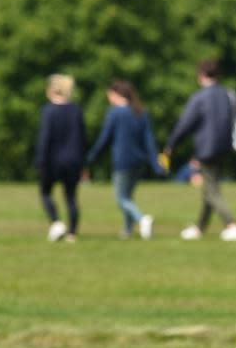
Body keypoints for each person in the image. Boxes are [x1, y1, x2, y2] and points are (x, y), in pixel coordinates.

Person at [164, 59, 236, 242]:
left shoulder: (200, 97)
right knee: (210, 186)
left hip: (206, 147)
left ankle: (231, 225)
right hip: (225, 146)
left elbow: (185, 124)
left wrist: (171, 144)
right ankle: (200, 228)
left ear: (201, 75)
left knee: (212, 189)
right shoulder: (228, 94)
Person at [86, 80, 166, 239]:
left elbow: (104, 139)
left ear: (116, 95)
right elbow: (149, 142)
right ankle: (127, 230)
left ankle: (142, 219)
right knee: (128, 196)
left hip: (122, 161)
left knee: (121, 198)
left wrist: (91, 157)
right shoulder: (141, 112)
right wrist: (156, 164)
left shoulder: (115, 113)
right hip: (139, 162)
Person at [35, 74, 86, 243]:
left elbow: (45, 138)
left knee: (45, 193)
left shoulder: (49, 111)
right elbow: (81, 138)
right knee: (71, 197)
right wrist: (83, 162)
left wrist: (41, 160)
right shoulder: (76, 110)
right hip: (73, 160)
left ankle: (56, 222)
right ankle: (72, 233)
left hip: (52, 160)